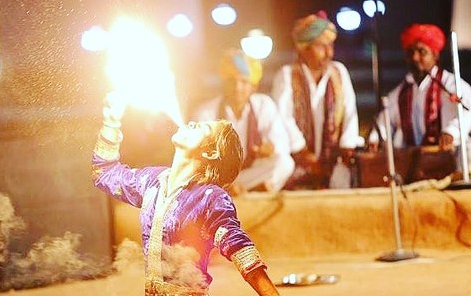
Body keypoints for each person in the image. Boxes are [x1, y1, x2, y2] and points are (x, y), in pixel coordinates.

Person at [50, 93, 299, 296]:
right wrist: (111, 121)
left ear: (210, 153)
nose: (192, 122)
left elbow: (239, 248)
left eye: (202, 128)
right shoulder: (152, 181)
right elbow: (105, 173)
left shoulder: (210, 197)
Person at [272, 10, 360, 189]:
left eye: (330, 46)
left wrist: (347, 147)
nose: (328, 52)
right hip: (297, 162)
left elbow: (350, 113)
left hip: (336, 163)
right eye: (321, 46)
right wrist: (303, 152)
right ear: (304, 48)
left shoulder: (339, 72)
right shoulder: (287, 75)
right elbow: (282, 118)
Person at [192, 48, 295, 195]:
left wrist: (271, 148)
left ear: (254, 87)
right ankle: (236, 190)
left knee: (285, 163)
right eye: (232, 81)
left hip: (250, 175)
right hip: (218, 179)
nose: (237, 87)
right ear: (224, 83)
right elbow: (197, 161)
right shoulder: (205, 113)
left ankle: (248, 189)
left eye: (244, 82)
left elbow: (281, 143)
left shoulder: (264, 105)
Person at [368, 24, 471, 161]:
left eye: (422, 52)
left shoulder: (451, 84)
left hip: (454, 160)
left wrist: (451, 132)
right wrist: (375, 138)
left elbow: (468, 111)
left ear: (435, 54)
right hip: (416, 164)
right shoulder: (401, 92)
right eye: (410, 52)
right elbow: (385, 120)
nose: (415, 57)